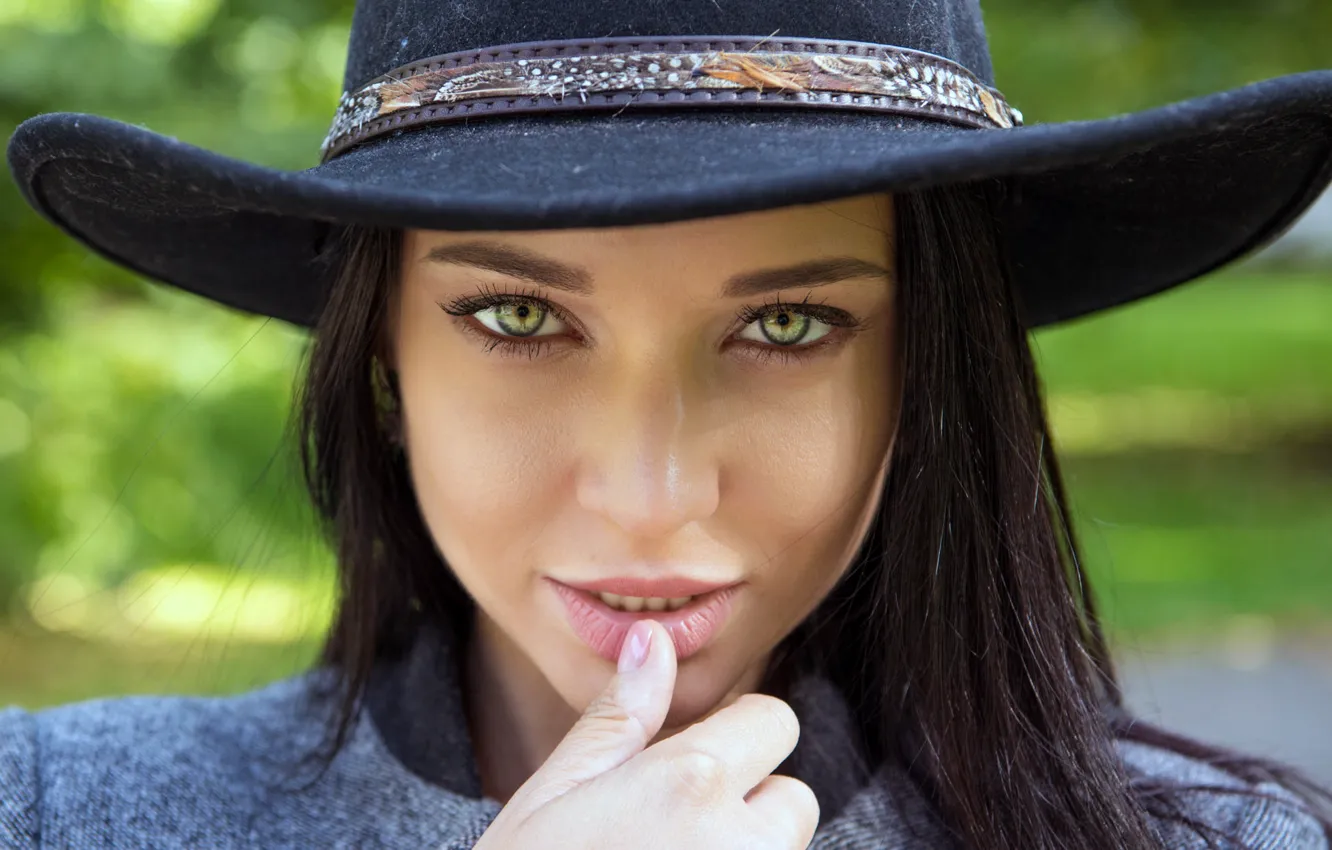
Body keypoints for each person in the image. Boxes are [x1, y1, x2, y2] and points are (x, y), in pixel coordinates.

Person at [2, 0, 1331, 847]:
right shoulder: (62, 811)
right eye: (520, 319)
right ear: (386, 363)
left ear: (924, 371)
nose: (650, 494)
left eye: (790, 324)